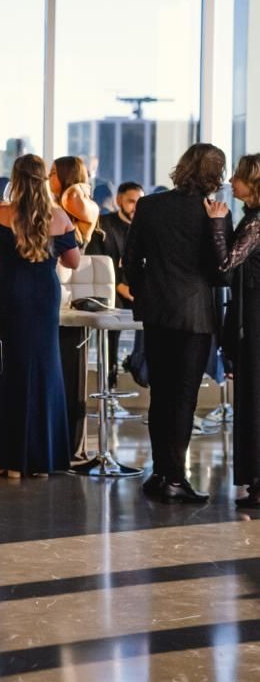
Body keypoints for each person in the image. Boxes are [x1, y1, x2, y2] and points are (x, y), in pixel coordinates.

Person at [124, 143, 230, 503]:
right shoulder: (214, 214)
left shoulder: (150, 205)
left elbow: (130, 259)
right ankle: (176, 478)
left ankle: (161, 473)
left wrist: (146, 292)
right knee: (183, 400)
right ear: (214, 174)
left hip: (157, 313)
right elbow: (220, 273)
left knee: (160, 395)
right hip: (195, 316)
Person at [0, 154, 80, 478]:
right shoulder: (60, 215)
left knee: (8, 367)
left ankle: (7, 459)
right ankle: (41, 461)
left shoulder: (2, 212)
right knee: (46, 368)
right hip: (44, 295)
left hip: (11, 293)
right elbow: (73, 262)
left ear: (16, 179)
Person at [205, 154, 260, 508]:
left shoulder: (255, 223)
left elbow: (226, 264)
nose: (231, 182)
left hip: (255, 318)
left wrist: (216, 223)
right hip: (251, 315)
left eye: (238, 177)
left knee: (254, 396)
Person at [49, 155, 101, 461]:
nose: (48, 177)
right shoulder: (76, 195)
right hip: (66, 274)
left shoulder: (71, 196)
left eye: (53, 172)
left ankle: (64, 444)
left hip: (64, 275)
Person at [87, 181, 144, 390]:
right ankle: (109, 383)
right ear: (119, 200)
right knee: (112, 318)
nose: (136, 207)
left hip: (140, 292)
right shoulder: (103, 225)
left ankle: (138, 364)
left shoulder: (146, 226)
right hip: (112, 292)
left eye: (140, 202)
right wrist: (120, 286)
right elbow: (96, 260)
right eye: (131, 201)